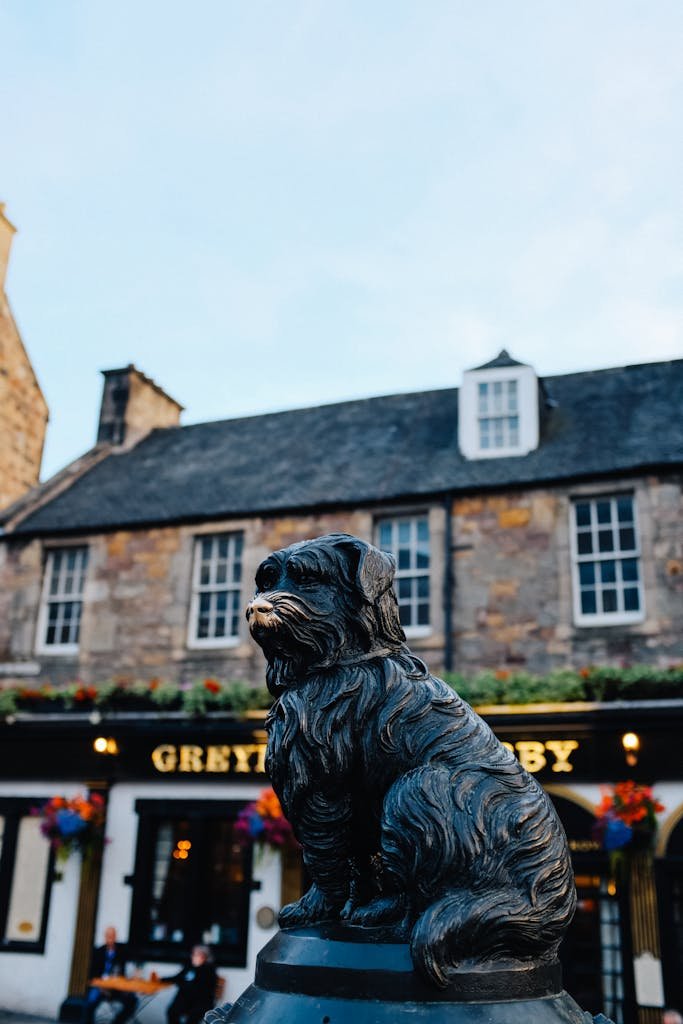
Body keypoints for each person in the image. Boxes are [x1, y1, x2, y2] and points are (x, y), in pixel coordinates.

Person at [82, 926, 138, 1024]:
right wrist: (101, 986)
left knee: (132, 1000)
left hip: (117, 987)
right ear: (105, 937)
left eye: (112, 936)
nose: (110, 939)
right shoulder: (99, 951)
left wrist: (136, 972)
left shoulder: (121, 950)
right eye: (108, 936)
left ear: (116, 937)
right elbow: (92, 974)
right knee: (90, 1002)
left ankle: (117, 1022)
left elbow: (133, 962)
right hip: (101, 986)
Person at [163, 945, 218, 1024]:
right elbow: (179, 977)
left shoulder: (208, 970)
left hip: (201, 1001)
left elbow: (203, 989)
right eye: (193, 954)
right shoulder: (189, 966)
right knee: (172, 1011)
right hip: (187, 999)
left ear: (204, 957)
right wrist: (162, 979)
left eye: (196, 955)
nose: (193, 957)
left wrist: (183, 984)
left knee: (192, 1018)